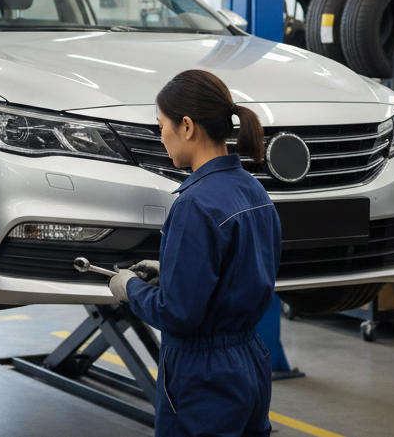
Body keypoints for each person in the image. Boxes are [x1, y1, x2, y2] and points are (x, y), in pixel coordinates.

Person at [109, 69, 281, 437]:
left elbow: (177, 313)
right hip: (250, 363)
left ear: (187, 126)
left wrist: (130, 289)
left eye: (161, 126)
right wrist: (171, 269)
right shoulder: (253, 191)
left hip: (204, 377)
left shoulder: (194, 204)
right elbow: (240, 271)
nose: (161, 137)